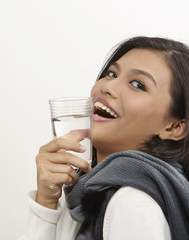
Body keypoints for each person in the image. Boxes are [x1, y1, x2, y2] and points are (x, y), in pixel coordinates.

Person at [18, 36, 189, 240]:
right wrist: (46, 203)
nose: (108, 86)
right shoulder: (84, 188)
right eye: (111, 73)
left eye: (137, 84)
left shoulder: (132, 202)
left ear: (174, 127)